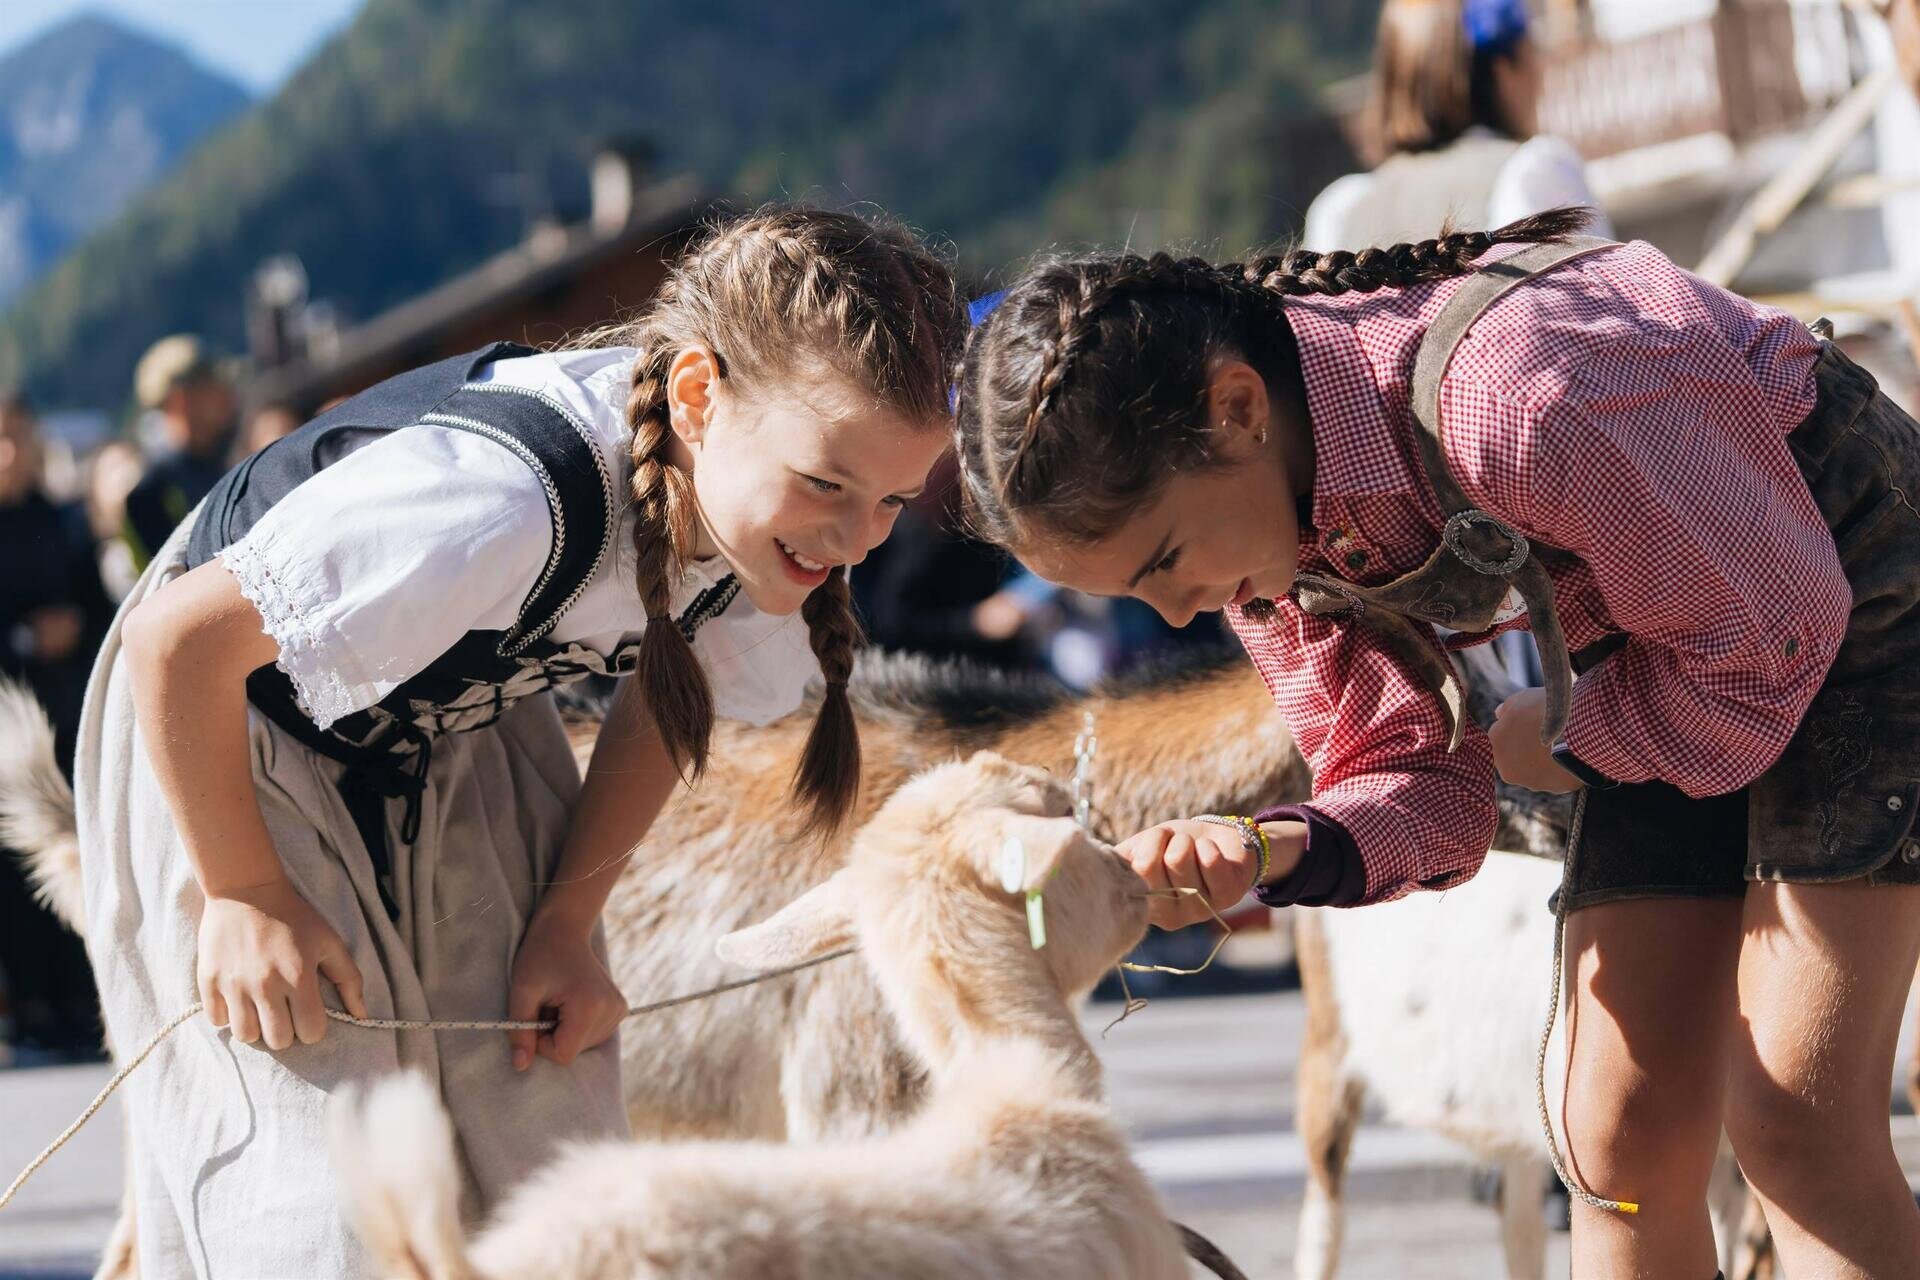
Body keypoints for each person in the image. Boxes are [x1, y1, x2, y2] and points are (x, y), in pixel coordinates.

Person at [953, 215, 1920, 1277]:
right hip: (1672, 656)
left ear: (1235, 408)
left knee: (1792, 1124)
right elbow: (1413, 778)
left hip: (1849, 597)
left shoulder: (1519, 397)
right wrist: (1267, 847)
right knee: (1615, 1141)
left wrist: (1575, 740)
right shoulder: (1267, 532)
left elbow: (1767, 636)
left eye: (1166, 560)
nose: (1182, 613)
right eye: (1140, 592)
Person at [74, 207, 963, 1276]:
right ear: (697, 394)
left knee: (546, 1148)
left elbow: (662, 699)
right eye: (830, 483)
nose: (860, 534)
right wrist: (243, 893)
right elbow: (175, 644)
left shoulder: (762, 532)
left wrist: (569, 921)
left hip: (454, 737)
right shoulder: (496, 502)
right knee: (327, 1196)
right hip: (225, 736)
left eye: (895, 500)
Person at [1303, 0, 1612, 255]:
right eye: (1533, 51)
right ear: (1503, 70)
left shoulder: (1341, 210)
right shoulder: (1536, 173)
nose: (1541, 74)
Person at [0, 391, 112, 1058]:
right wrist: (22, 639)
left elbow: (106, 612)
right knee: (18, 875)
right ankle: (34, 1007)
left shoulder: (66, 523)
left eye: (20, 436)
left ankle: (84, 999)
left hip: (73, 719)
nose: (12, 454)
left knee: (85, 852)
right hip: (9, 732)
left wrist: (75, 627)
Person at [121, 334, 239, 570]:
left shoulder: (222, 460)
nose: (230, 394)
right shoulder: (148, 495)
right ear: (181, 400)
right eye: (215, 384)